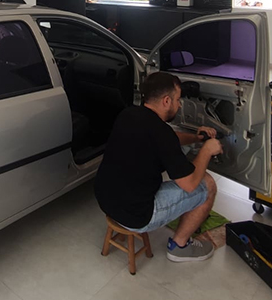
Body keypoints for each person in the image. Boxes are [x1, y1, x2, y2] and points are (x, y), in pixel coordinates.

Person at [95, 71, 223, 262]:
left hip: (106, 200)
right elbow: (189, 184)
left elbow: (169, 138)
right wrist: (206, 150)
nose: (179, 105)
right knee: (208, 184)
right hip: (136, 216)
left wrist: (196, 138)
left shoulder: (128, 114)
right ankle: (179, 246)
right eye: (178, 100)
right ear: (166, 101)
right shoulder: (161, 133)